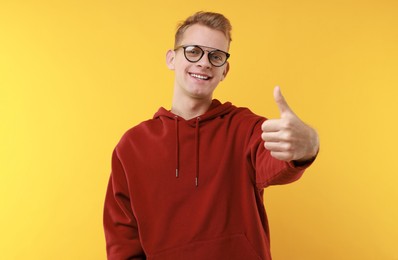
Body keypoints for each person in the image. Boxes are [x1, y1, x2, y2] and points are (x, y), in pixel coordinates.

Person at [103, 11, 319, 260]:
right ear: (172, 59)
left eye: (215, 56)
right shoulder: (132, 145)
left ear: (224, 70)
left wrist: (307, 146)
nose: (204, 62)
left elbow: (275, 161)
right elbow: (122, 239)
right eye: (193, 51)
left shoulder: (245, 128)